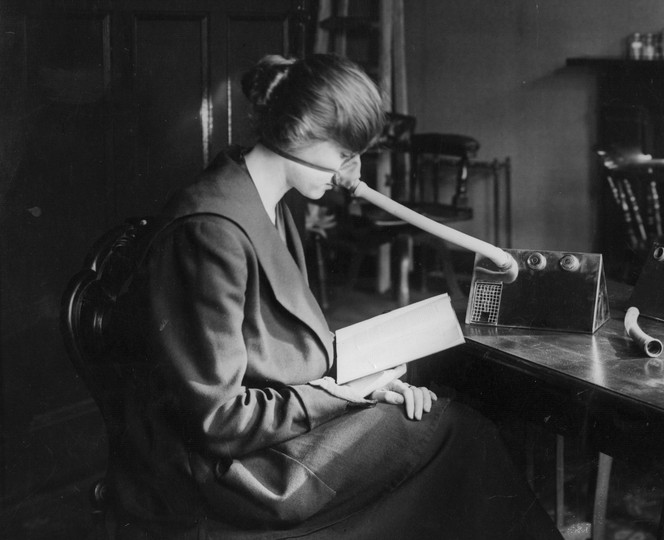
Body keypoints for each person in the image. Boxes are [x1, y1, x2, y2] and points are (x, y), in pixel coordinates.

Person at [110, 53, 562, 539]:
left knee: (448, 426)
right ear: (297, 133)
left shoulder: (266, 201)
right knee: (460, 436)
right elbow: (217, 418)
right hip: (232, 471)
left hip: (274, 428)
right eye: (345, 153)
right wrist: (341, 396)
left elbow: (280, 350)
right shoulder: (210, 231)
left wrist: (370, 384)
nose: (353, 171)